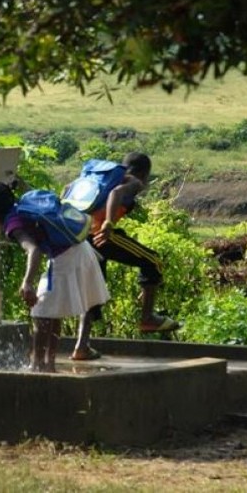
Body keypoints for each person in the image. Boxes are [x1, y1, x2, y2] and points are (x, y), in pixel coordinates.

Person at [0, 181, 109, 372]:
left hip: (66, 257)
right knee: (52, 311)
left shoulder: (13, 222)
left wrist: (27, 283)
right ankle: (48, 363)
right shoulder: (15, 211)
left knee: (42, 312)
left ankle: (36, 365)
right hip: (78, 250)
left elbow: (33, 250)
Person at [71, 152, 180, 360]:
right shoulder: (132, 181)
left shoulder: (95, 181)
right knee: (153, 261)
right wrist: (108, 224)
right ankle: (147, 317)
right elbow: (116, 194)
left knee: (93, 293)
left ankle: (81, 347)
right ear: (144, 172)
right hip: (102, 236)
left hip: (81, 237)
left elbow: (68, 190)